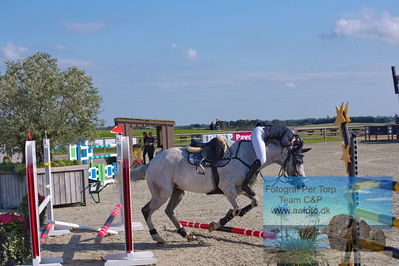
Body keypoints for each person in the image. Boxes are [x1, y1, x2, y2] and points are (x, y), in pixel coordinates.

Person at [241, 123, 299, 196]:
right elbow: (284, 142)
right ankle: (245, 185)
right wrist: (291, 143)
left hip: (261, 132)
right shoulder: (290, 133)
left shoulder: (287, 131)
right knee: (262, 159)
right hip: (260, 133)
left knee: (260, 157)